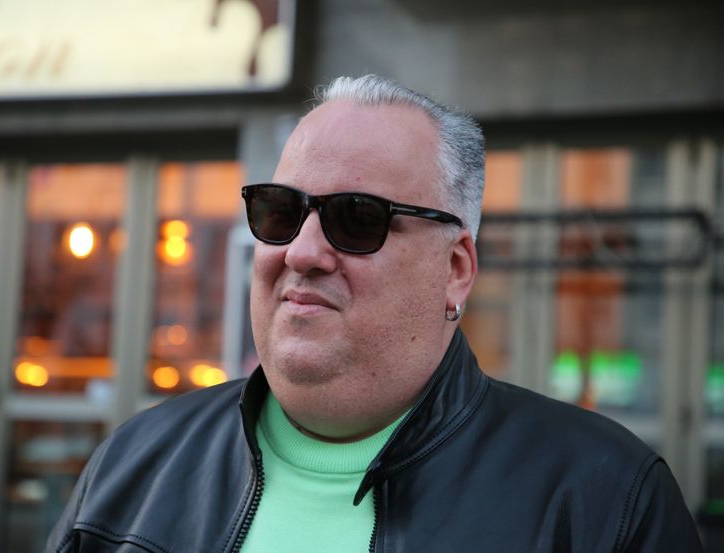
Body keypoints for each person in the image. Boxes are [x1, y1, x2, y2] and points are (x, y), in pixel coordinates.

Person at [46, 75, 704, 552]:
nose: (302, 251)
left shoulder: (605, 501)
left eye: (357, 218)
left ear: (456, 269)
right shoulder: (135, 464)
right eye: (280, 212)